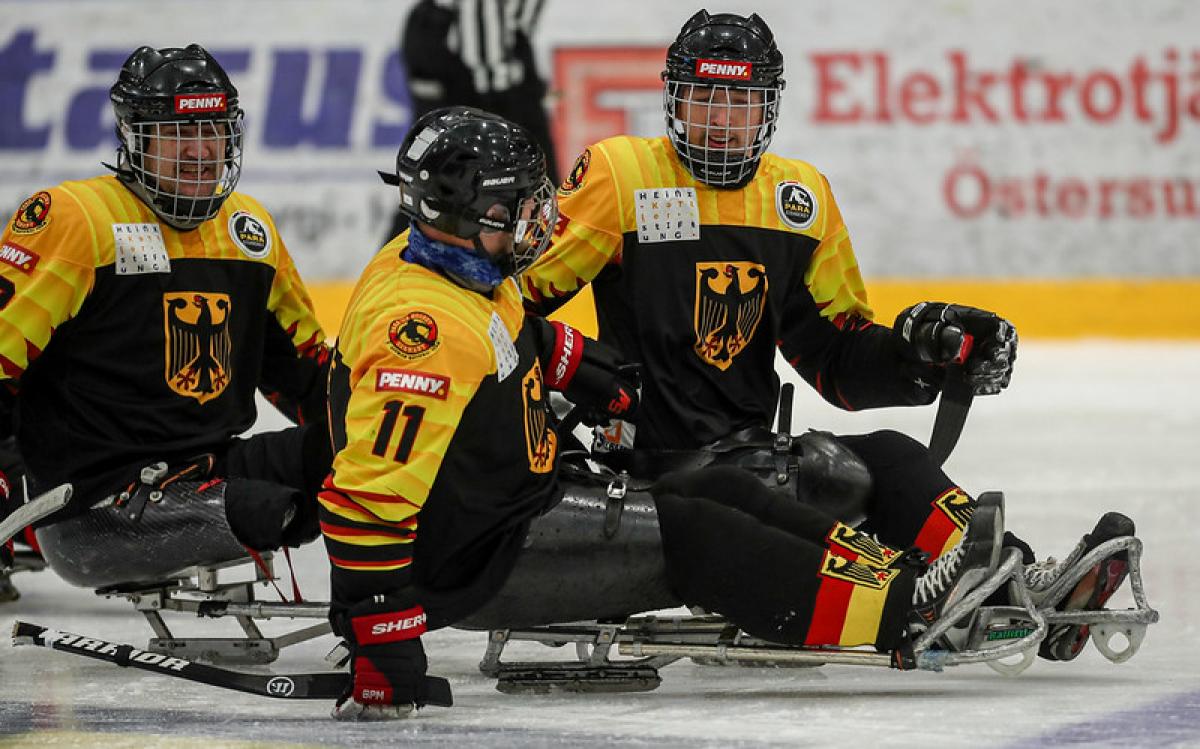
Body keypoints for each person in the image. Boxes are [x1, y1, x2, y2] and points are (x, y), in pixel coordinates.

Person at [319, 105, 1018, 721]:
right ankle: (909, 607)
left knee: (716, 490)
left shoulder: (460, 272)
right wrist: (381, 636)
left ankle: (913, 577)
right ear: (478, 218)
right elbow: (363, 501)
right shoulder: (427, 326)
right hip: (481, 558)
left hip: (515, 507)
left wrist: (562, 354)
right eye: (524, 209)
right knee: (696, 530)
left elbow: (505, 332)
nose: (544, 223)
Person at [519, 9, 1135, 664]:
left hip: (749, 453)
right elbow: (516, 295)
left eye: (741, 101)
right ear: (674, 100)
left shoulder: (799, 198)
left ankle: (1017, 582)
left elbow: (834, 359)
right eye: (704, 97)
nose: (721, 118)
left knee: (890, 457)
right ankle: (918, 592)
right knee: (762, 487)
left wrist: (920, 351)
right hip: (648, 468)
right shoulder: (621, 176)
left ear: (769, 110)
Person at [0, 44, 332, 597]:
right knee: (271, 512)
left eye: (215, 131)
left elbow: (306, 376)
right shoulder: (76, 219)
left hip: (206, 466)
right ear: (135, 138)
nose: (201, 151)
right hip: (97, 499)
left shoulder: (248, 229)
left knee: (359, 455)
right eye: (178, 134)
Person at [382, 0, 559, 243]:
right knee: (441, 177)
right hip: (468, 45)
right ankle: (398, 265)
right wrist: (502, 83)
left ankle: (393, 265)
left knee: (437, 178)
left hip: (472, 39)